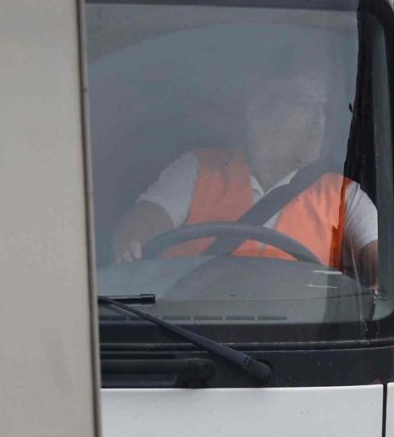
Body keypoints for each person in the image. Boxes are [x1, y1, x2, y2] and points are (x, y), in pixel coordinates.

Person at [111, 66, 380, 284]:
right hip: (188, 326)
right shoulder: (199, 169)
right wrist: (133, 245)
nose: (319, 119)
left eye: (322, 106)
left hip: (302, 332)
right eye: (303, 104)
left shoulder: (344, 196)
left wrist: (379, 274)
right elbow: (143, 223)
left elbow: (382, 264)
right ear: (259, 109)